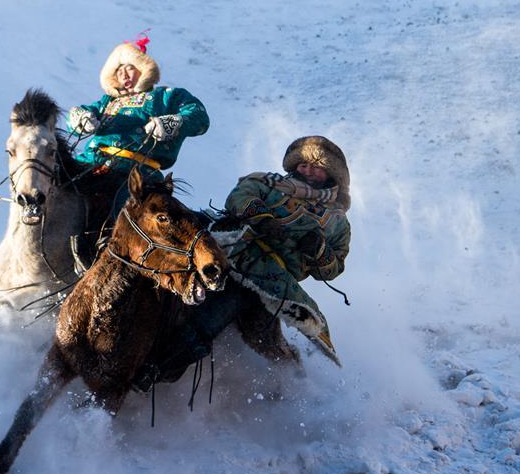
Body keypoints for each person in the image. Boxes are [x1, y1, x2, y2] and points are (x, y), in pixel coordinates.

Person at [133, 135, 352, 390]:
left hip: (267, 276)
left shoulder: (337, 222)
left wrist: (319, 250)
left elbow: (333, 269)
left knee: (211, 317)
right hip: (225, 245)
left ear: (331, 174)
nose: (308, 169)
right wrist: (264, 218)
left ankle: (154, 370)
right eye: (304, 164)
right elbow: (239, 197)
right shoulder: (267, 182)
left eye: (316, 166)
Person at [65, 35, 210, 268]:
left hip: (137, 171)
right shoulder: (106, 102)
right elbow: (77, 114)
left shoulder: (167, 96)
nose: (124, 74)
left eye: (130, 68)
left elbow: (199, 116)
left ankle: (107, 254)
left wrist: (170, 123)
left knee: (127, 208)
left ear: (144, 70)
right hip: (93, 164)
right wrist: (82, 118)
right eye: (119, 69)